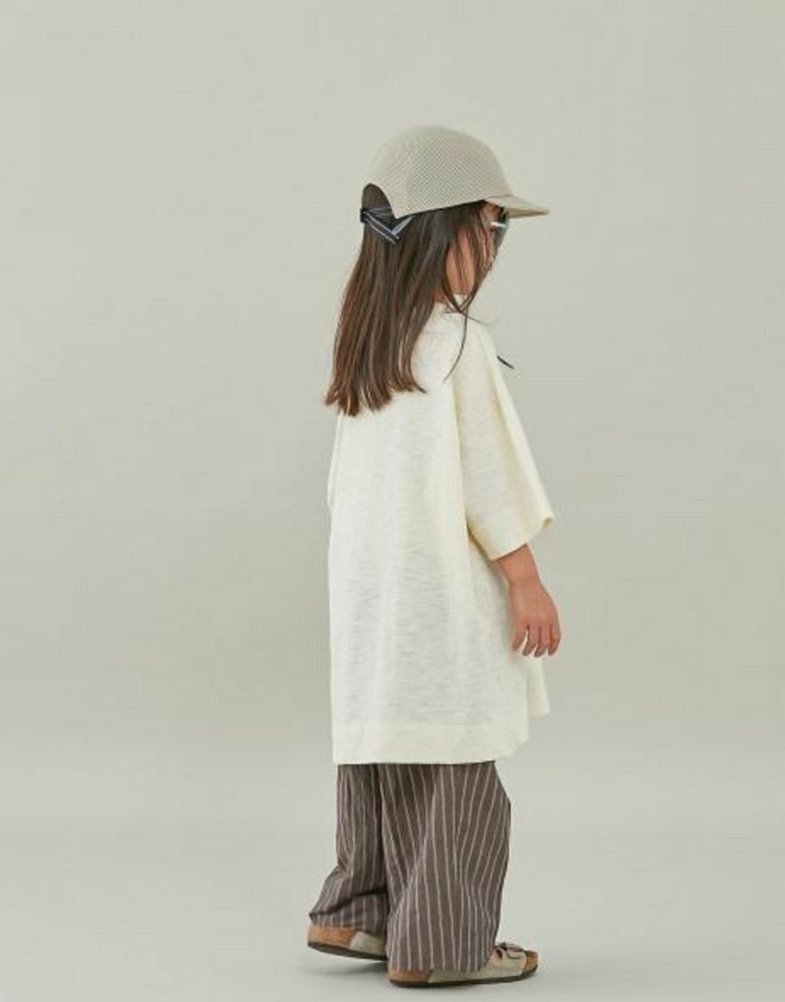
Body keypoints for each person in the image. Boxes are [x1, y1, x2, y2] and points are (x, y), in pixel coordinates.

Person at [306, 125, 562, 989]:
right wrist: (525, 580)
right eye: (493, 224)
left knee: (385, 753)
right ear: (448, 230)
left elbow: (344, 489)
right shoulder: (456, 343)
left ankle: (359, 912)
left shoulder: (367, 347)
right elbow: (492, 481)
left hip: (370, 602)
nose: (496, 245)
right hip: (438, 601)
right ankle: (442, 943)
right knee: (454, 770)